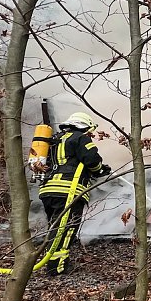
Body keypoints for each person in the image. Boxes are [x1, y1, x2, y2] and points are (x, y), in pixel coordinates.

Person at [38, 111, 110, 275]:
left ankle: (51, 262)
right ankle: (56, 268)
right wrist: (100, 170)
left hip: (48, 190)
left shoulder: (54, 140)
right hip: (68, 191)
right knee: (67, 229)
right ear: (84, 126)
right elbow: (92, 159)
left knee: (55, 227)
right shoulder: (80, 137)